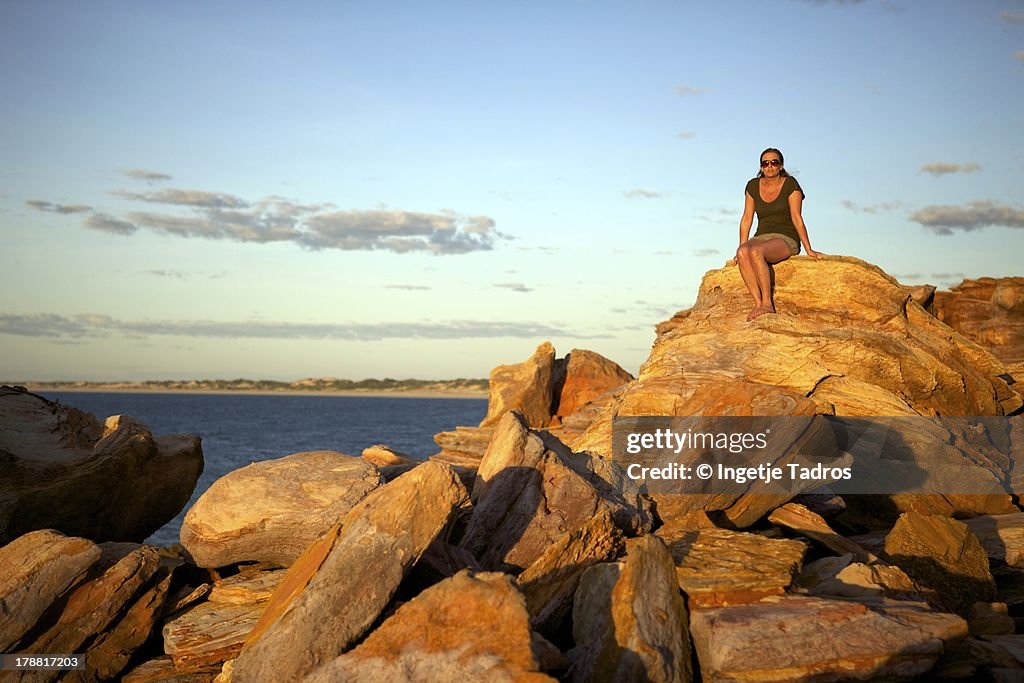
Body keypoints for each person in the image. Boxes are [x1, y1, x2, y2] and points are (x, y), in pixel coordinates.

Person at [736, 147, 819, 321]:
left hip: (785, 237)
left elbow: (797, 217)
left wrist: (808, 249)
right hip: (761, 236)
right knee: (743, 252)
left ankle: (767, 303)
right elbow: (746, 218)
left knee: (756, 252)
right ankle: (758, 303)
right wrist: (741, 244)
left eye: (774, 162)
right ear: (761, 167)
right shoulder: (752, 185)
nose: (770, 166)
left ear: (781, 166)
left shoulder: (790, 184)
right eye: (765, 163)